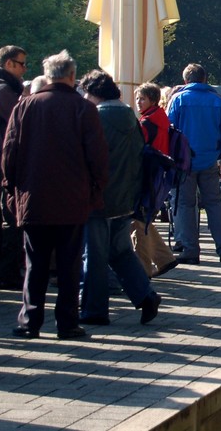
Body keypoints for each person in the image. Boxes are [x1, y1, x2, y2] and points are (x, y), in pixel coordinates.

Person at [3, 50, 109, 339]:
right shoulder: (83, 109)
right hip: (72, 198)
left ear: (48, 75)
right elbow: (97, 157)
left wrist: (11, 191)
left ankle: (29, 322)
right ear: (72, 76)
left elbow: (9, 154)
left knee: (35, 263)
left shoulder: (25, 106)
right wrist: (96, 189)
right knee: (68, 264)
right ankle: (67, 322)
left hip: (33, 197)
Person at [77, 71, 161, 326]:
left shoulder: (96, 117)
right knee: (120, 252)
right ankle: (146, 295)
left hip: (100, 197)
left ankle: (95, 310)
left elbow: (88, 158)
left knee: (95, 255)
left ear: (94, 93)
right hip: (126, 197)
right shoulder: (129, 115)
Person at [167, 63, 221, 265]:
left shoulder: (178, 99)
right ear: (205, 79)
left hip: (184, 162)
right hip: (209, 160)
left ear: (186, 80)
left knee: (185, 205)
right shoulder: (218, 101)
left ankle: (190, 249)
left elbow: (169, 131)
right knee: (214, 205)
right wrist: (217, 153)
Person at [0, 45, 28, 290]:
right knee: (9, 218)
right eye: (22, 64)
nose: (24, 69)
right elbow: (15, 130)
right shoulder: (3, 92)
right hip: (3, 162)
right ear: (9, 64)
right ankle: (6, 274)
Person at [133, 82, 178, 278]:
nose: (138, 102)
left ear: (152, 99)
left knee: (138, 221)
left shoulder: (146, 123)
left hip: (146, 175)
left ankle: (143, 269)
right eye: (137, 98)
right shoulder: (161, 118)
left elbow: (136, 149)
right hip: (159, 175)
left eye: (142, 98)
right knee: (143, 219)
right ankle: (164, 258)